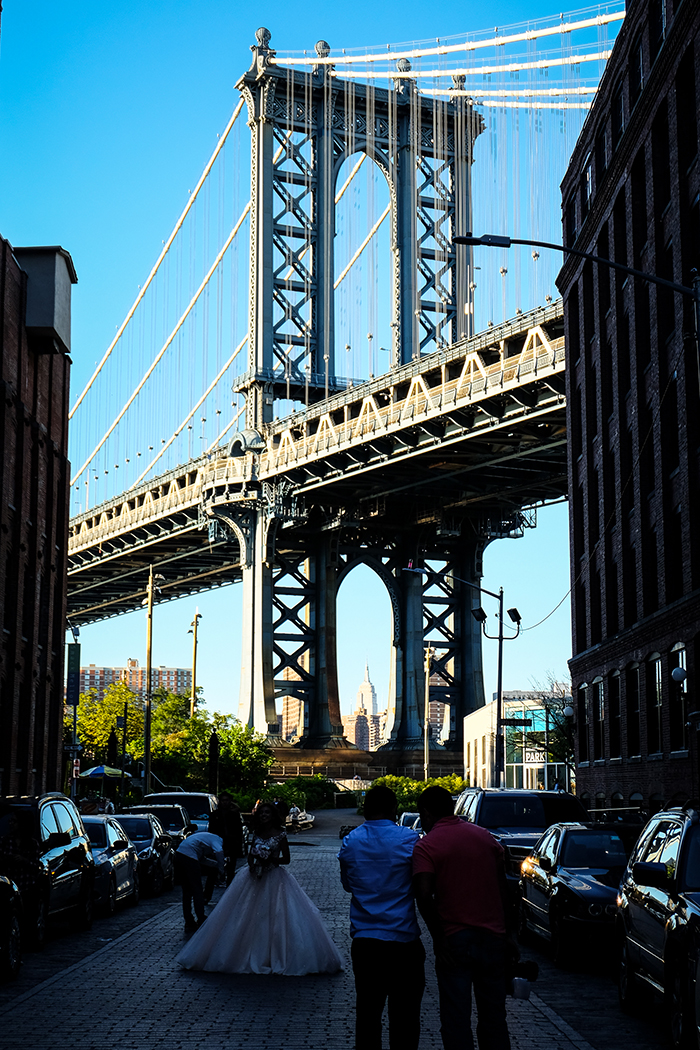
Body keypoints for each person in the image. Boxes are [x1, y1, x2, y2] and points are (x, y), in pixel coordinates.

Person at [175, 801, 342, 975]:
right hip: (253, 876)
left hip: (274, 877)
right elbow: (250, 855)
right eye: (261, 813)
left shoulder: (281, 834)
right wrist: (254, 863)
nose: (263, 816)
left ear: (273, 816)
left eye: (267, 813)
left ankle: (274, 953)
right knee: (245, 914)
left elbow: (286, 859)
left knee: (274, 914)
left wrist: (269, 860)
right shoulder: (257, 833)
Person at [413, 786, 515, 1050]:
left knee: (456, 1019)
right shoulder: (486, 838)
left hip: (454, 941)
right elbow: (504, 889)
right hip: (493, 938)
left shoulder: (427, 845)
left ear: (426, 813)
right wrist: (510, 935)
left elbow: (423, 895)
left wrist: (438, 938)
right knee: (494, 1019)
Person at [338, 785, 425, 1050]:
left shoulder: (350, 841)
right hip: (403, 940)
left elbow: (347, 885)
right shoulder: (409, 840)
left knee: (367, 1014)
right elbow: (420, 884)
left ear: (365, 809)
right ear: (394, 808)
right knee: (406, 1017)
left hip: (366, 941)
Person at [175, 829, 225, 930]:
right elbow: (219, 851)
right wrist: (221, 869)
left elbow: (202, 859)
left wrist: (215, 865)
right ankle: (201, 917)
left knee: (187, 892)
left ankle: (189, 920)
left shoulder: (203, 838)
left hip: (179, 854)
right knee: (197, 890)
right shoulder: (217, 840)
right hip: (189, 857)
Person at [204, 795, 244, 899]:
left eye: (227, 800)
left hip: (231, 844)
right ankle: (207, 896)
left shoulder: (234, 815)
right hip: (218, 844)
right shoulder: (214, 815)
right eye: (223, 800)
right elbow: (211, 831)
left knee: (230, 871)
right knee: (213, 872)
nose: (225, 803)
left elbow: (239, 832)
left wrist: (238, 847)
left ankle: (229, 895)